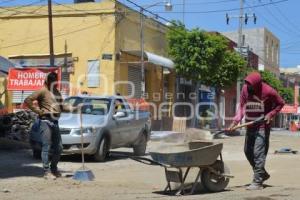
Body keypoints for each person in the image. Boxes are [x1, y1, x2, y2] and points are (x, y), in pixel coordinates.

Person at [227, 72, 284, 190]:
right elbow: (242, 107)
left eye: (251, 85)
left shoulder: (268, 91)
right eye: (247, 85)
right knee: (247, 151)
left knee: (258, 153)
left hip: (262, 125)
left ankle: (257, 182)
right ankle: (262, 173)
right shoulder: (245, 89)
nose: (249, 87)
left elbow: (280, 103)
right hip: (250, 124)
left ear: (258, 85)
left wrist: (270, 114)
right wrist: (235, 121)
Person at [25, 72, 75, 180]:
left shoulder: (56, 92)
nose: (54, 83)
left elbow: (61, 107)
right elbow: (28, 100)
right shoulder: (42, 90)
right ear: (47, 81)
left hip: (55, 121)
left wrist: (73, 108)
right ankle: (46, 171)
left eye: (55, 81)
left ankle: (54, 168)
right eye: (52, 80)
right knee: (46, 146)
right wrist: (38, 111)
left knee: (59, 147)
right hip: (45, 121)